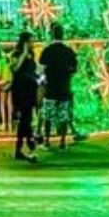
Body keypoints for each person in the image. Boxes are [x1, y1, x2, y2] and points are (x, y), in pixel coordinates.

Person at [37, 24, 78, 153]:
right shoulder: (68, 51)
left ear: (52, 34)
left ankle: (47, 141)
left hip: (50, 88)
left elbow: (41, 70)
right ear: (63, 34)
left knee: (48, 115)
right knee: (63, 116)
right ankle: (62, 142)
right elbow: (74, 69)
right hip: (64, 87)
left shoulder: (47, 51)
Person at [9, 32, 40, 162]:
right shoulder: (17, 54)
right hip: (20, 89)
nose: (33, 43)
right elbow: (15, 68)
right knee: (25, 119)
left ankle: (25, 144)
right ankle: (27, 143)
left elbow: (34, 70)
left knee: (26, 119)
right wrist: (23, 53)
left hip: (30, 88)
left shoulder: (32, 55)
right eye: (31, 41)